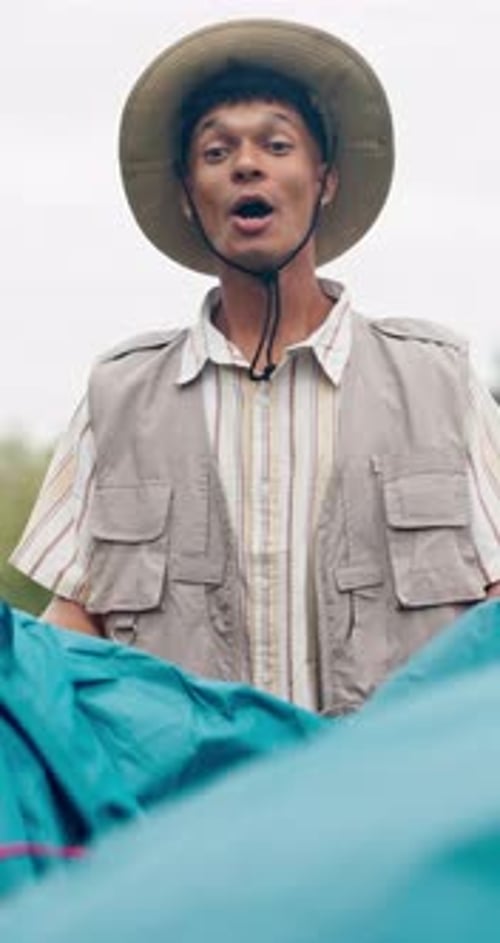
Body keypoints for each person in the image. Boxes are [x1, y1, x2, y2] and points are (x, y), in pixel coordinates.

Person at [10, 19, 500, 716]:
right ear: (189, 195)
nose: (246, 165)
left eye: (276, 144)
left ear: (324, 180)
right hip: (197, 783)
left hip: (397, 780)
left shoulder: (439, 382)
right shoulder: (117, 397)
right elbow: (71, 627)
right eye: (217, 151)